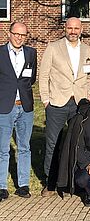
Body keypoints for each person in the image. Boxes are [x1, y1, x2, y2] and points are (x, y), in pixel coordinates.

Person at [39, 17, 90, 196]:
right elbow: (43, 75)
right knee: (53, 143)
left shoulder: (88, 50)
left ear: (81, 30)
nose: (73, 31)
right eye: (70, 28)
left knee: (78, 143)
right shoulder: (53, 48)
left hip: (79, 103)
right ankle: (50, 182)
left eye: (76, 28)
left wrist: (87, 97)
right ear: (65, 28)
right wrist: (46, 100)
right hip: (57, 102)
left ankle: (75, 179)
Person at [0, 22, 37, 201]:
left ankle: (23, 185)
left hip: (26, 106)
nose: (19, 37)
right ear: (9, 33)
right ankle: (2, 187)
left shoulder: (31, 53)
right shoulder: (0, 53)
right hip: (5, 107)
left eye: (23, 35)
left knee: (24, 147)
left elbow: (32, 79)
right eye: (16, 34)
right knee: (2, 149)